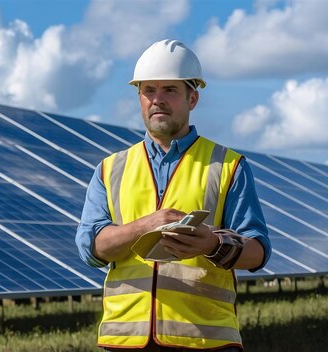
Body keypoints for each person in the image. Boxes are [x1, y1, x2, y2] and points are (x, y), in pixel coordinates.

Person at [75, 39, 271, 351]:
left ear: (192, 98)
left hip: (206, 342)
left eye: (170, 90)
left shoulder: (228, 166)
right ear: (139, 98)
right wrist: (146, 225)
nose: (157, 100)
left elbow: (258, 251)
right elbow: (90, 249)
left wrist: (213, 243)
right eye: (148, 90)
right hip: (124, 341)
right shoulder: (109, 169)